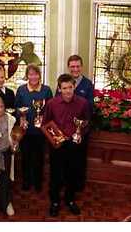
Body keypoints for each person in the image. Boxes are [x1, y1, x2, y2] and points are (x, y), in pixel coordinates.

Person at [42, 73, 90, 217]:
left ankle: (69, 199)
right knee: (56, 175)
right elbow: (45, 123)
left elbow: (87, 123)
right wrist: (55, 139)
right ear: (59, 89)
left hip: (74, 145)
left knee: (72, 174)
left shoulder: (83, 103)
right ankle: (55, 201)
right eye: (64, 88)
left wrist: (80, 134)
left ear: (74, 87)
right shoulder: (52, 103)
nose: (68, 91)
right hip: (57, 145)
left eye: (70, 87)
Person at [15, 64, 53, 192]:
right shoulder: (21, 90)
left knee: (39, 157)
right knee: (25, 157)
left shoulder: (46, 90)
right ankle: (26, 181)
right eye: (30, 74)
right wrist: (21, 117)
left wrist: (44, 119)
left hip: (40, 131)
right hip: (25, 130)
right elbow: (16, 108)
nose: (33, 76)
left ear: (39, 75)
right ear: (27, 76)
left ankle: (37, 182)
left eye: (36, 74)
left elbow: (50, 108)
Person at [67, 54, 94, 190]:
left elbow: (89, 107)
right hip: (65, 129)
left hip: (80, 130)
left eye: (77, 66)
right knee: (66, 158)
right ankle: (66, 183)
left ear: (81, 67)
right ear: (68, 67)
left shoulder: (88, 84)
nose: (75, 69)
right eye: (72, 66)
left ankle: (78, 185)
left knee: (80, 159)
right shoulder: (64, 82)